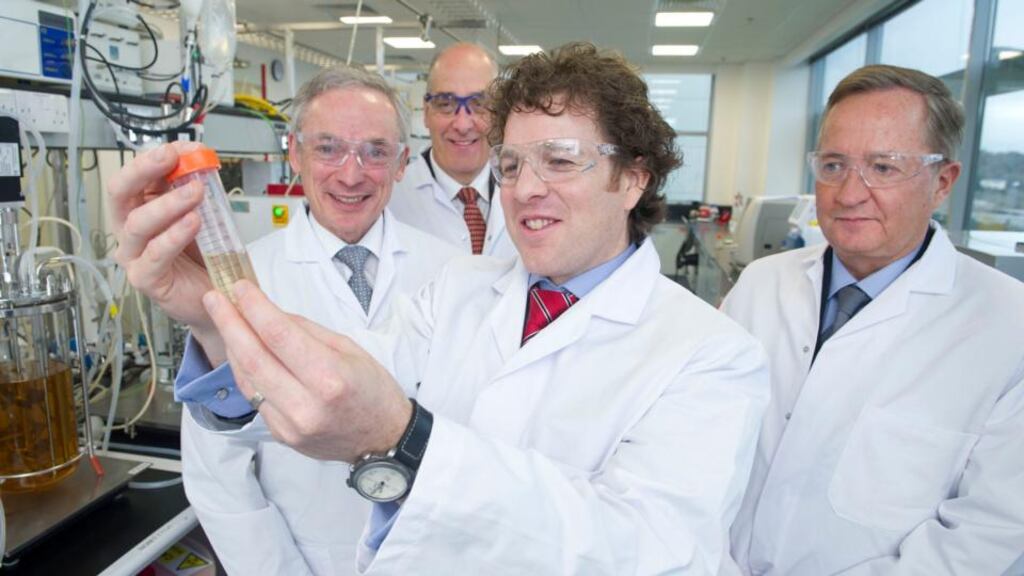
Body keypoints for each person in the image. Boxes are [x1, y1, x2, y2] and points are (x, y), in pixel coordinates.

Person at [110, 42, 770, 574]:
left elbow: (652, 553)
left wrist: (406, 442)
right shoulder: (457, 289)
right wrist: (211, 316)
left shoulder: (712, 353)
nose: (526, 190)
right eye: (510, 164)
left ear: (633, 176)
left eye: (560, 160)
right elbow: (323, 395)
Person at [112, 66, 460, 575]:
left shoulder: (451, 269)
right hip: (305, 559)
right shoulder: (239, 275)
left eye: (375, 151)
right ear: (294, 153)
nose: (351, 172)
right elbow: (218, 476)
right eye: (327, 148)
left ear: (403, 162)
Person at [722, 64, 1024, 575]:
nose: (849, 193)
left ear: (943, 181)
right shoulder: (761, 284)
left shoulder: (1009, 327)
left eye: (884, 167)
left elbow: (986, 537)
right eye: (834, 165)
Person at [387, 43, 517, 258]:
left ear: (499, 113)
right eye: (446, 104)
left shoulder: (527, 192)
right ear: (427, 113)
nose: (463, 125)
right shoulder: (390, 199)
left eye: (480, 103)